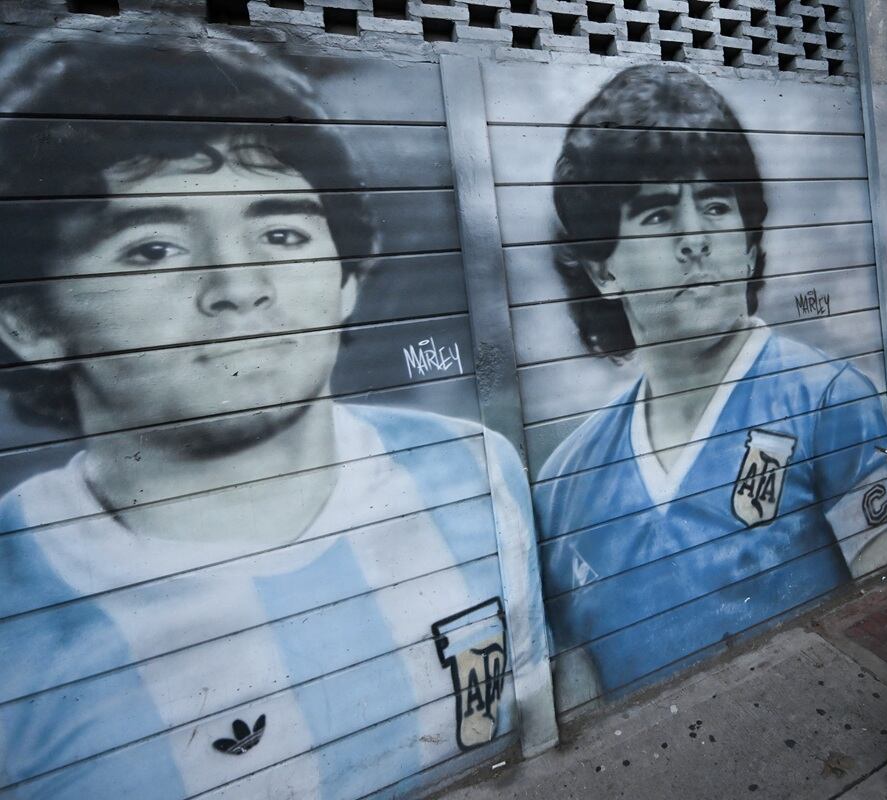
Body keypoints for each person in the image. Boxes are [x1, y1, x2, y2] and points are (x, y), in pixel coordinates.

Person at [0, 40, 548, 799]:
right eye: (152, 248)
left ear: (348, 277)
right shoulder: (17, 619)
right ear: (29, 320)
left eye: (282, 235)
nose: (238, 286)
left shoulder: (472, 471)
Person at [534, 64, 887, 707]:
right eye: (656, 213)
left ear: (751, 244)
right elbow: (578, 689)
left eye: (717, 205)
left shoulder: (827, 402)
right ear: (601, 269)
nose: (695, 238)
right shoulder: (564, 481)